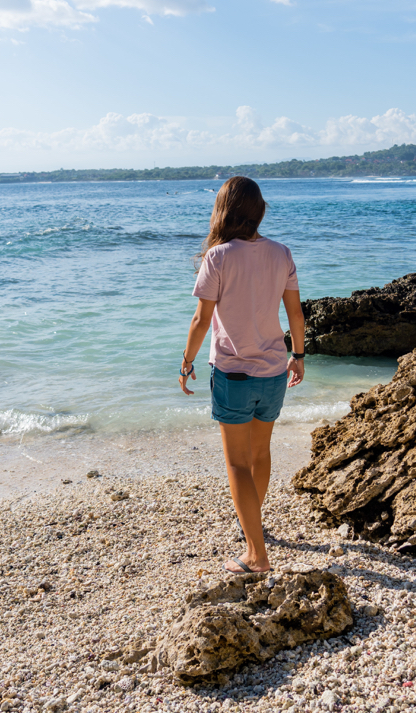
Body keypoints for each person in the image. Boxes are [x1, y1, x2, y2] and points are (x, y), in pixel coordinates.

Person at [179, 176, 305, 574]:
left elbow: (201, 320)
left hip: (233, 374)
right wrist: (299, 356)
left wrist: (186, 361)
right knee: (259, 454)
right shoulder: (281, 253)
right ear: (259, 209)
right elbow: (296, 314)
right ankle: (252, 525)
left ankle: (257, 554)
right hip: (273, 373)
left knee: (236, 463)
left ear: (224, 209)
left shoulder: (218, 257)